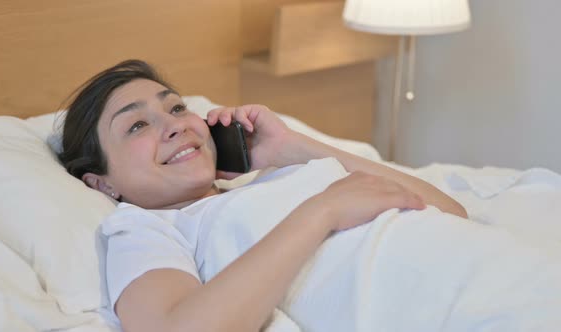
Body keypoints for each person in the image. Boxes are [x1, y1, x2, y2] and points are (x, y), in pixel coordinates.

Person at [59, 59, 475, 331]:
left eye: (176, 108)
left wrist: (293, 147)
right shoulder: (146, 228)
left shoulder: (275, 177)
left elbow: (451, 212)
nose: (174, 126)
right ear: (101, 182)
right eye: (136, 126)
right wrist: (323, 212)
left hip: (477, 274)